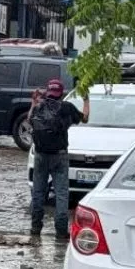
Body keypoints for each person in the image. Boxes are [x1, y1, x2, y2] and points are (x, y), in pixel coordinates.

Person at [29, 79, 91, 240]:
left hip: (40, 155)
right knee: (62, 194)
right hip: (59, 155)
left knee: (38, 192)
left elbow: (30, 121)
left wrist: (33, 102)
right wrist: (86, 100)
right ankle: (61, 231)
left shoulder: (39, 106)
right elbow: (84, 118)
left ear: (48, 92)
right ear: (61, 93)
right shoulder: (66, 107)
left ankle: (35, 228)